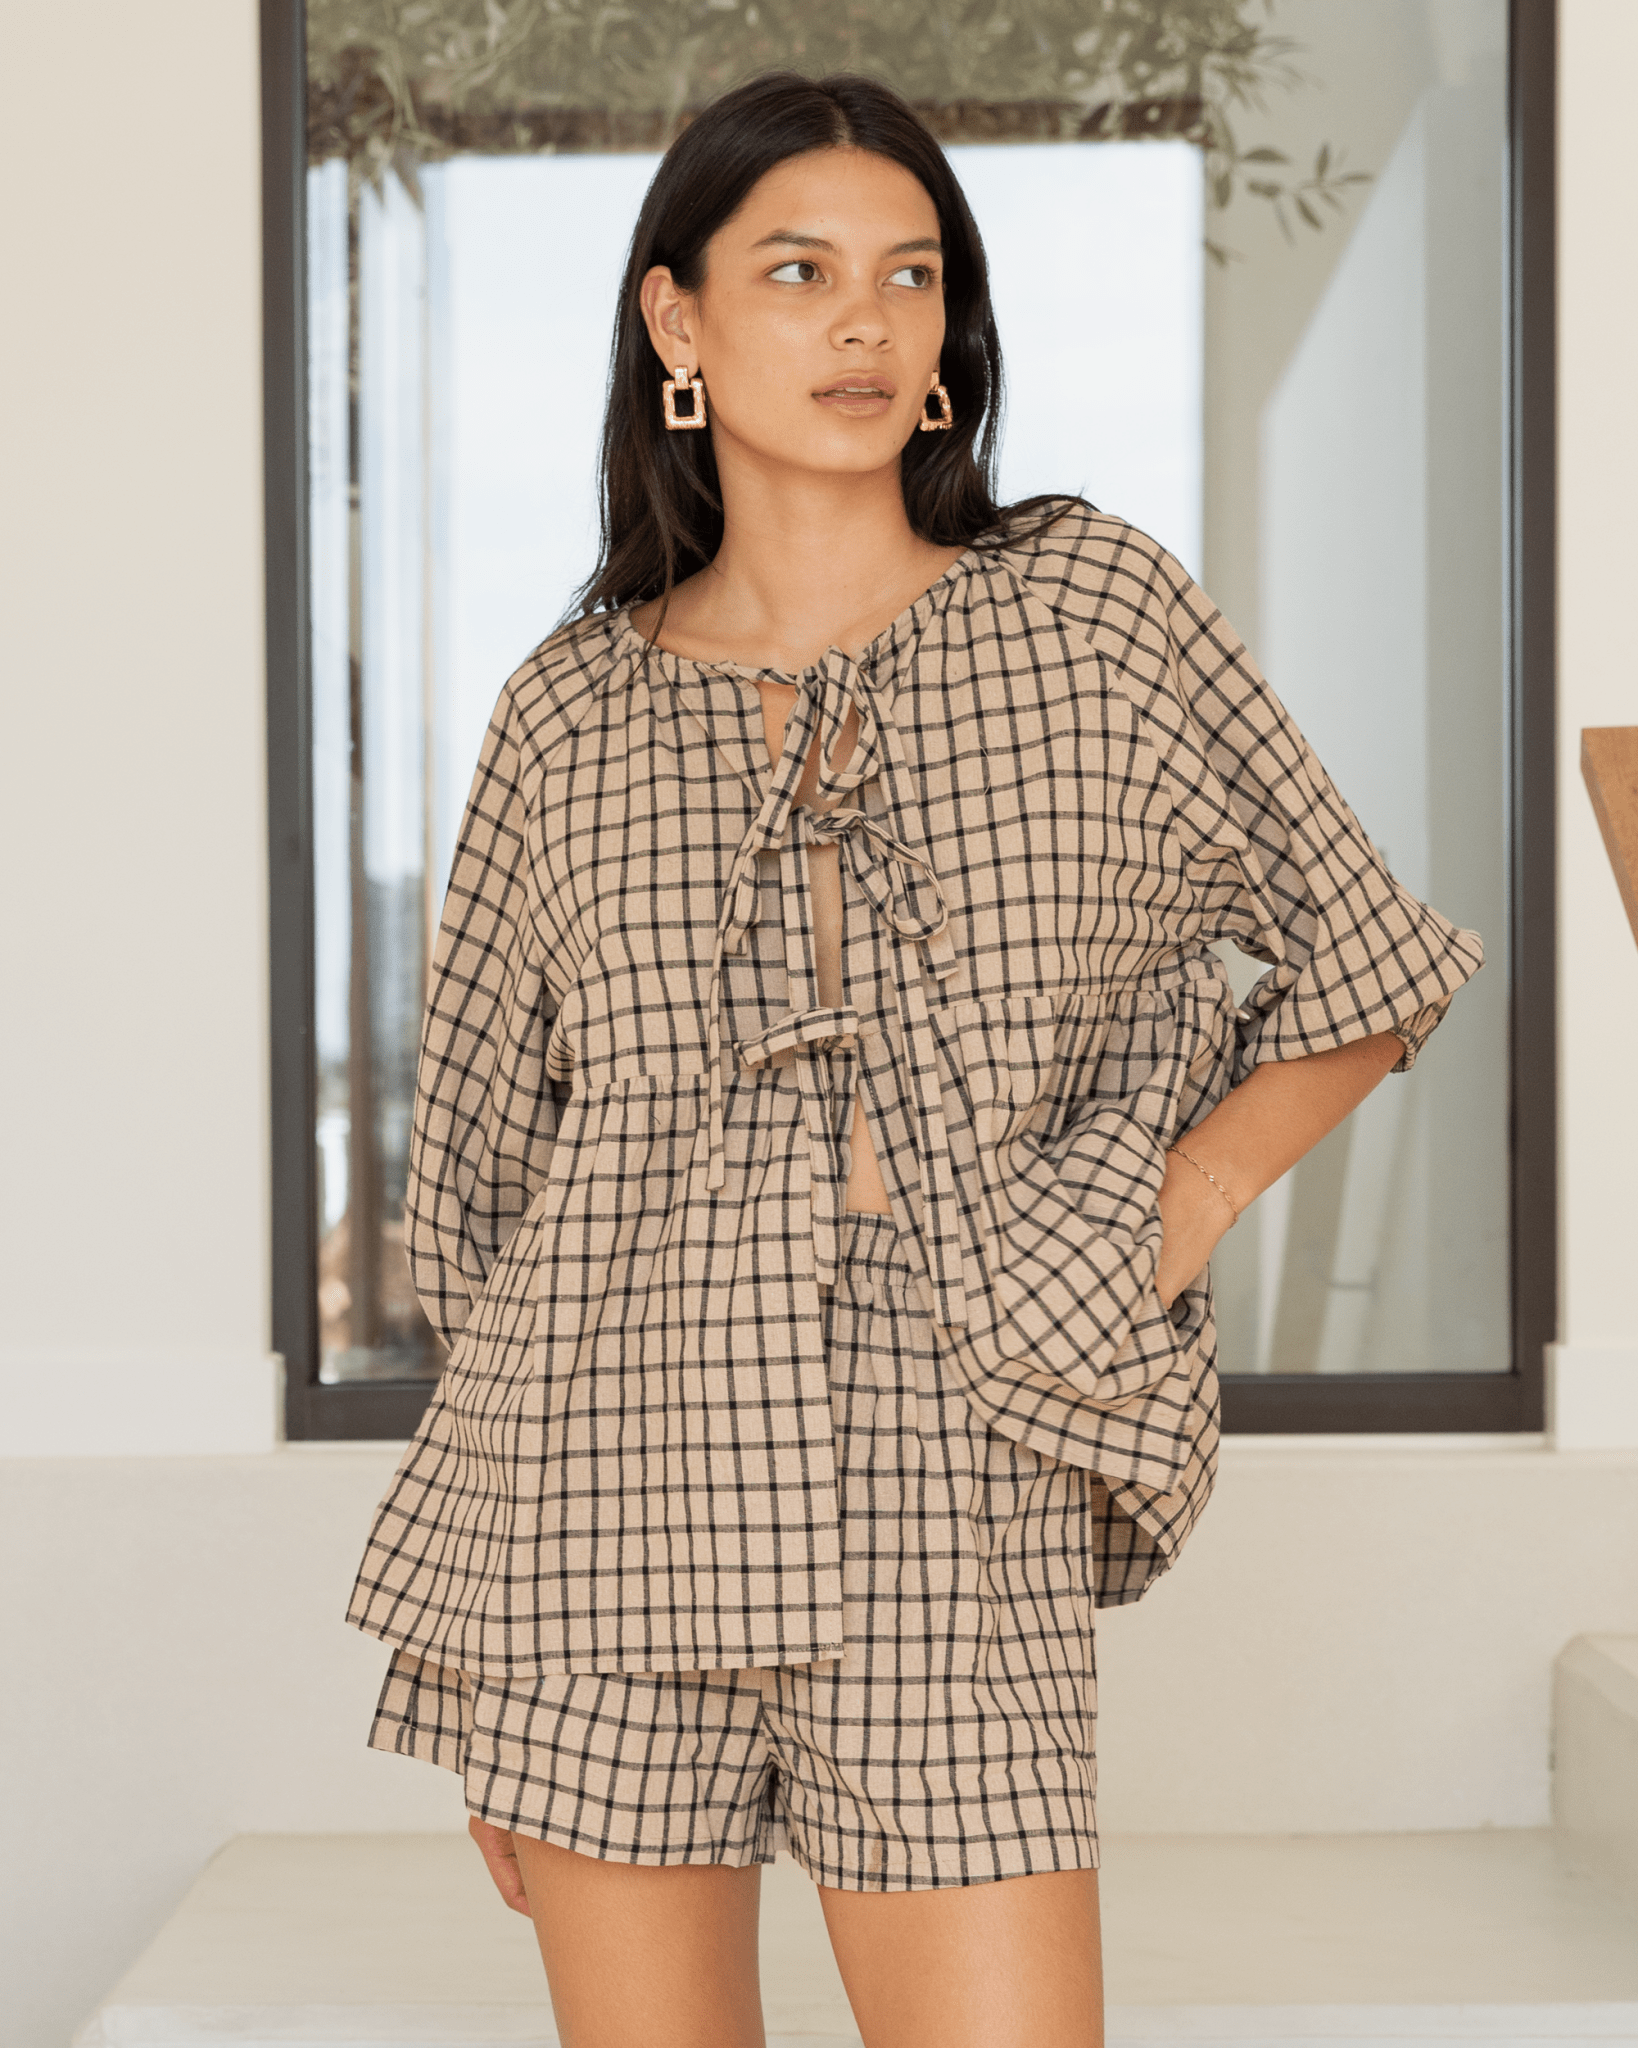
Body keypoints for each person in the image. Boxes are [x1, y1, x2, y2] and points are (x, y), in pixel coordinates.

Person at [345, 69, 1483, 2048]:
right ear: (677, 318)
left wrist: (1162, 1214)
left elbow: (1362, 952)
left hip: (952, 1454)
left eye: (910, 274)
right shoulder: (565, 712)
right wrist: (493, 1660)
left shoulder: (1092, 613)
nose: (865, 323)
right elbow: (480, 1192)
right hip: (602, 1491)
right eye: (797, 272)